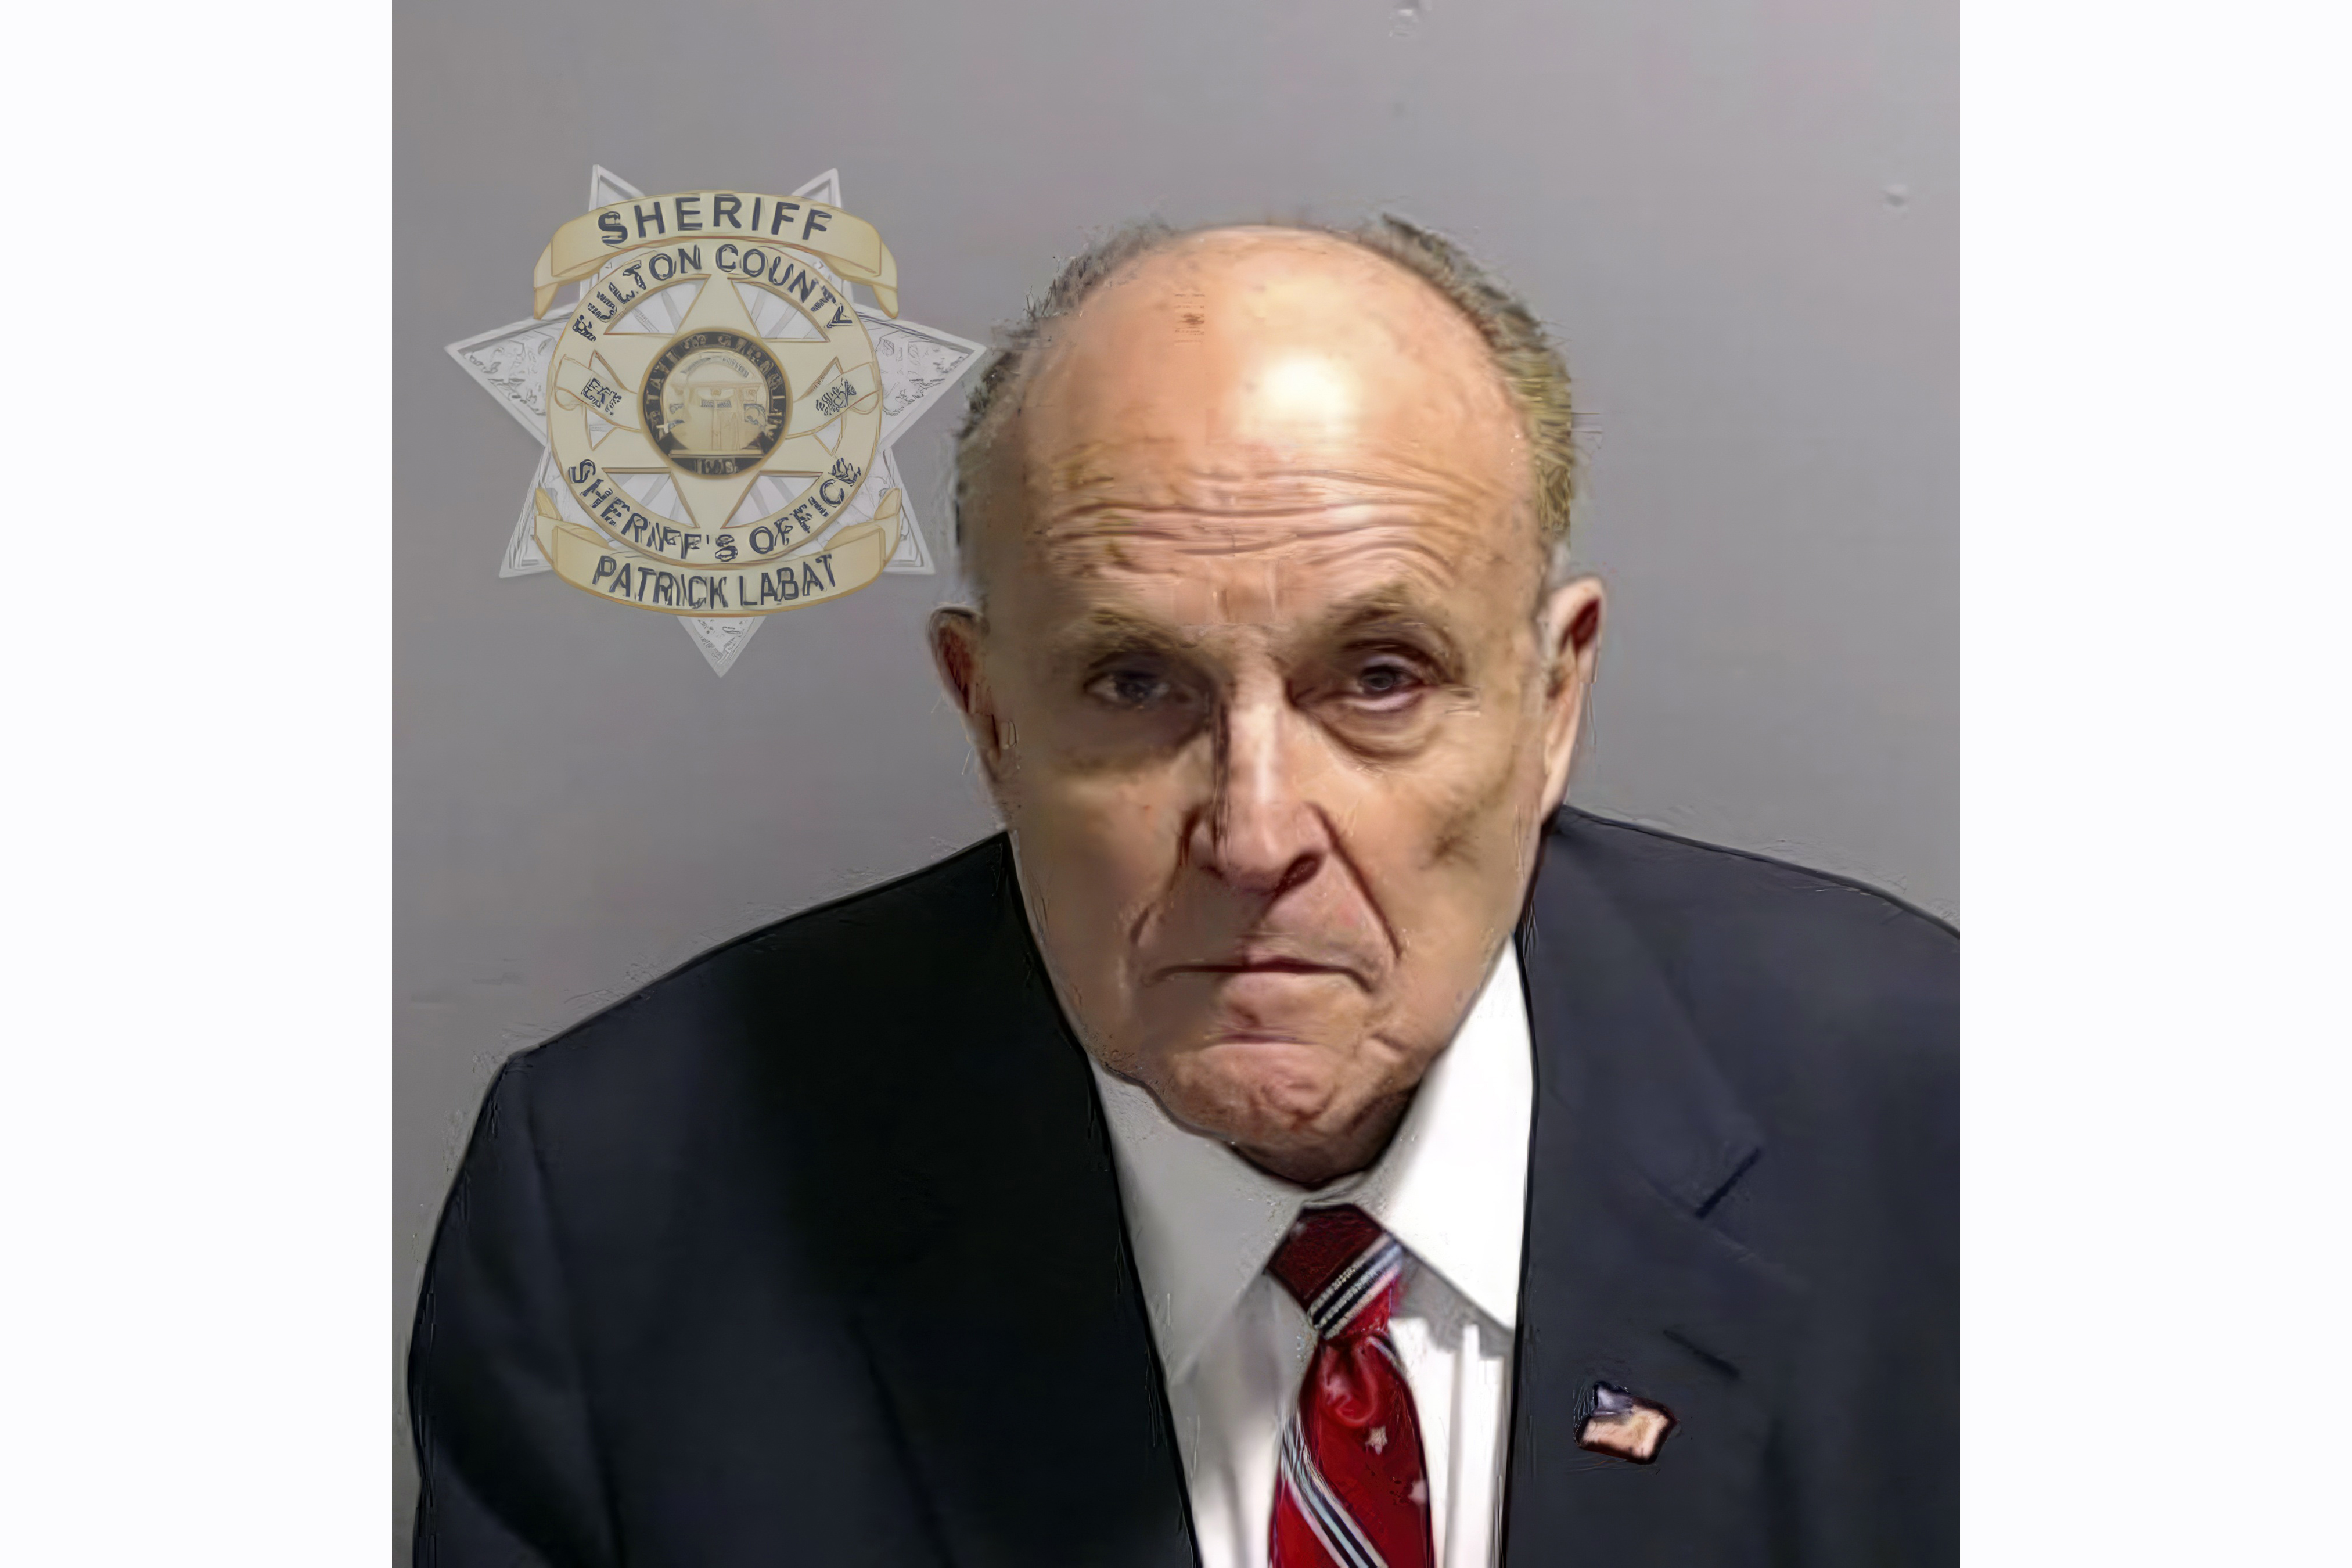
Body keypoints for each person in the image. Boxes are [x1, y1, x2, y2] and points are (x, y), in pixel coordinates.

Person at [407, 218, 1956, 1567]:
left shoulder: (1939, 1128)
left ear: (1552, 701)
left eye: (1379, 677)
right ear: (990, 719)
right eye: (1135, 683)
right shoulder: (617, 1221)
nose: (1255, 832)